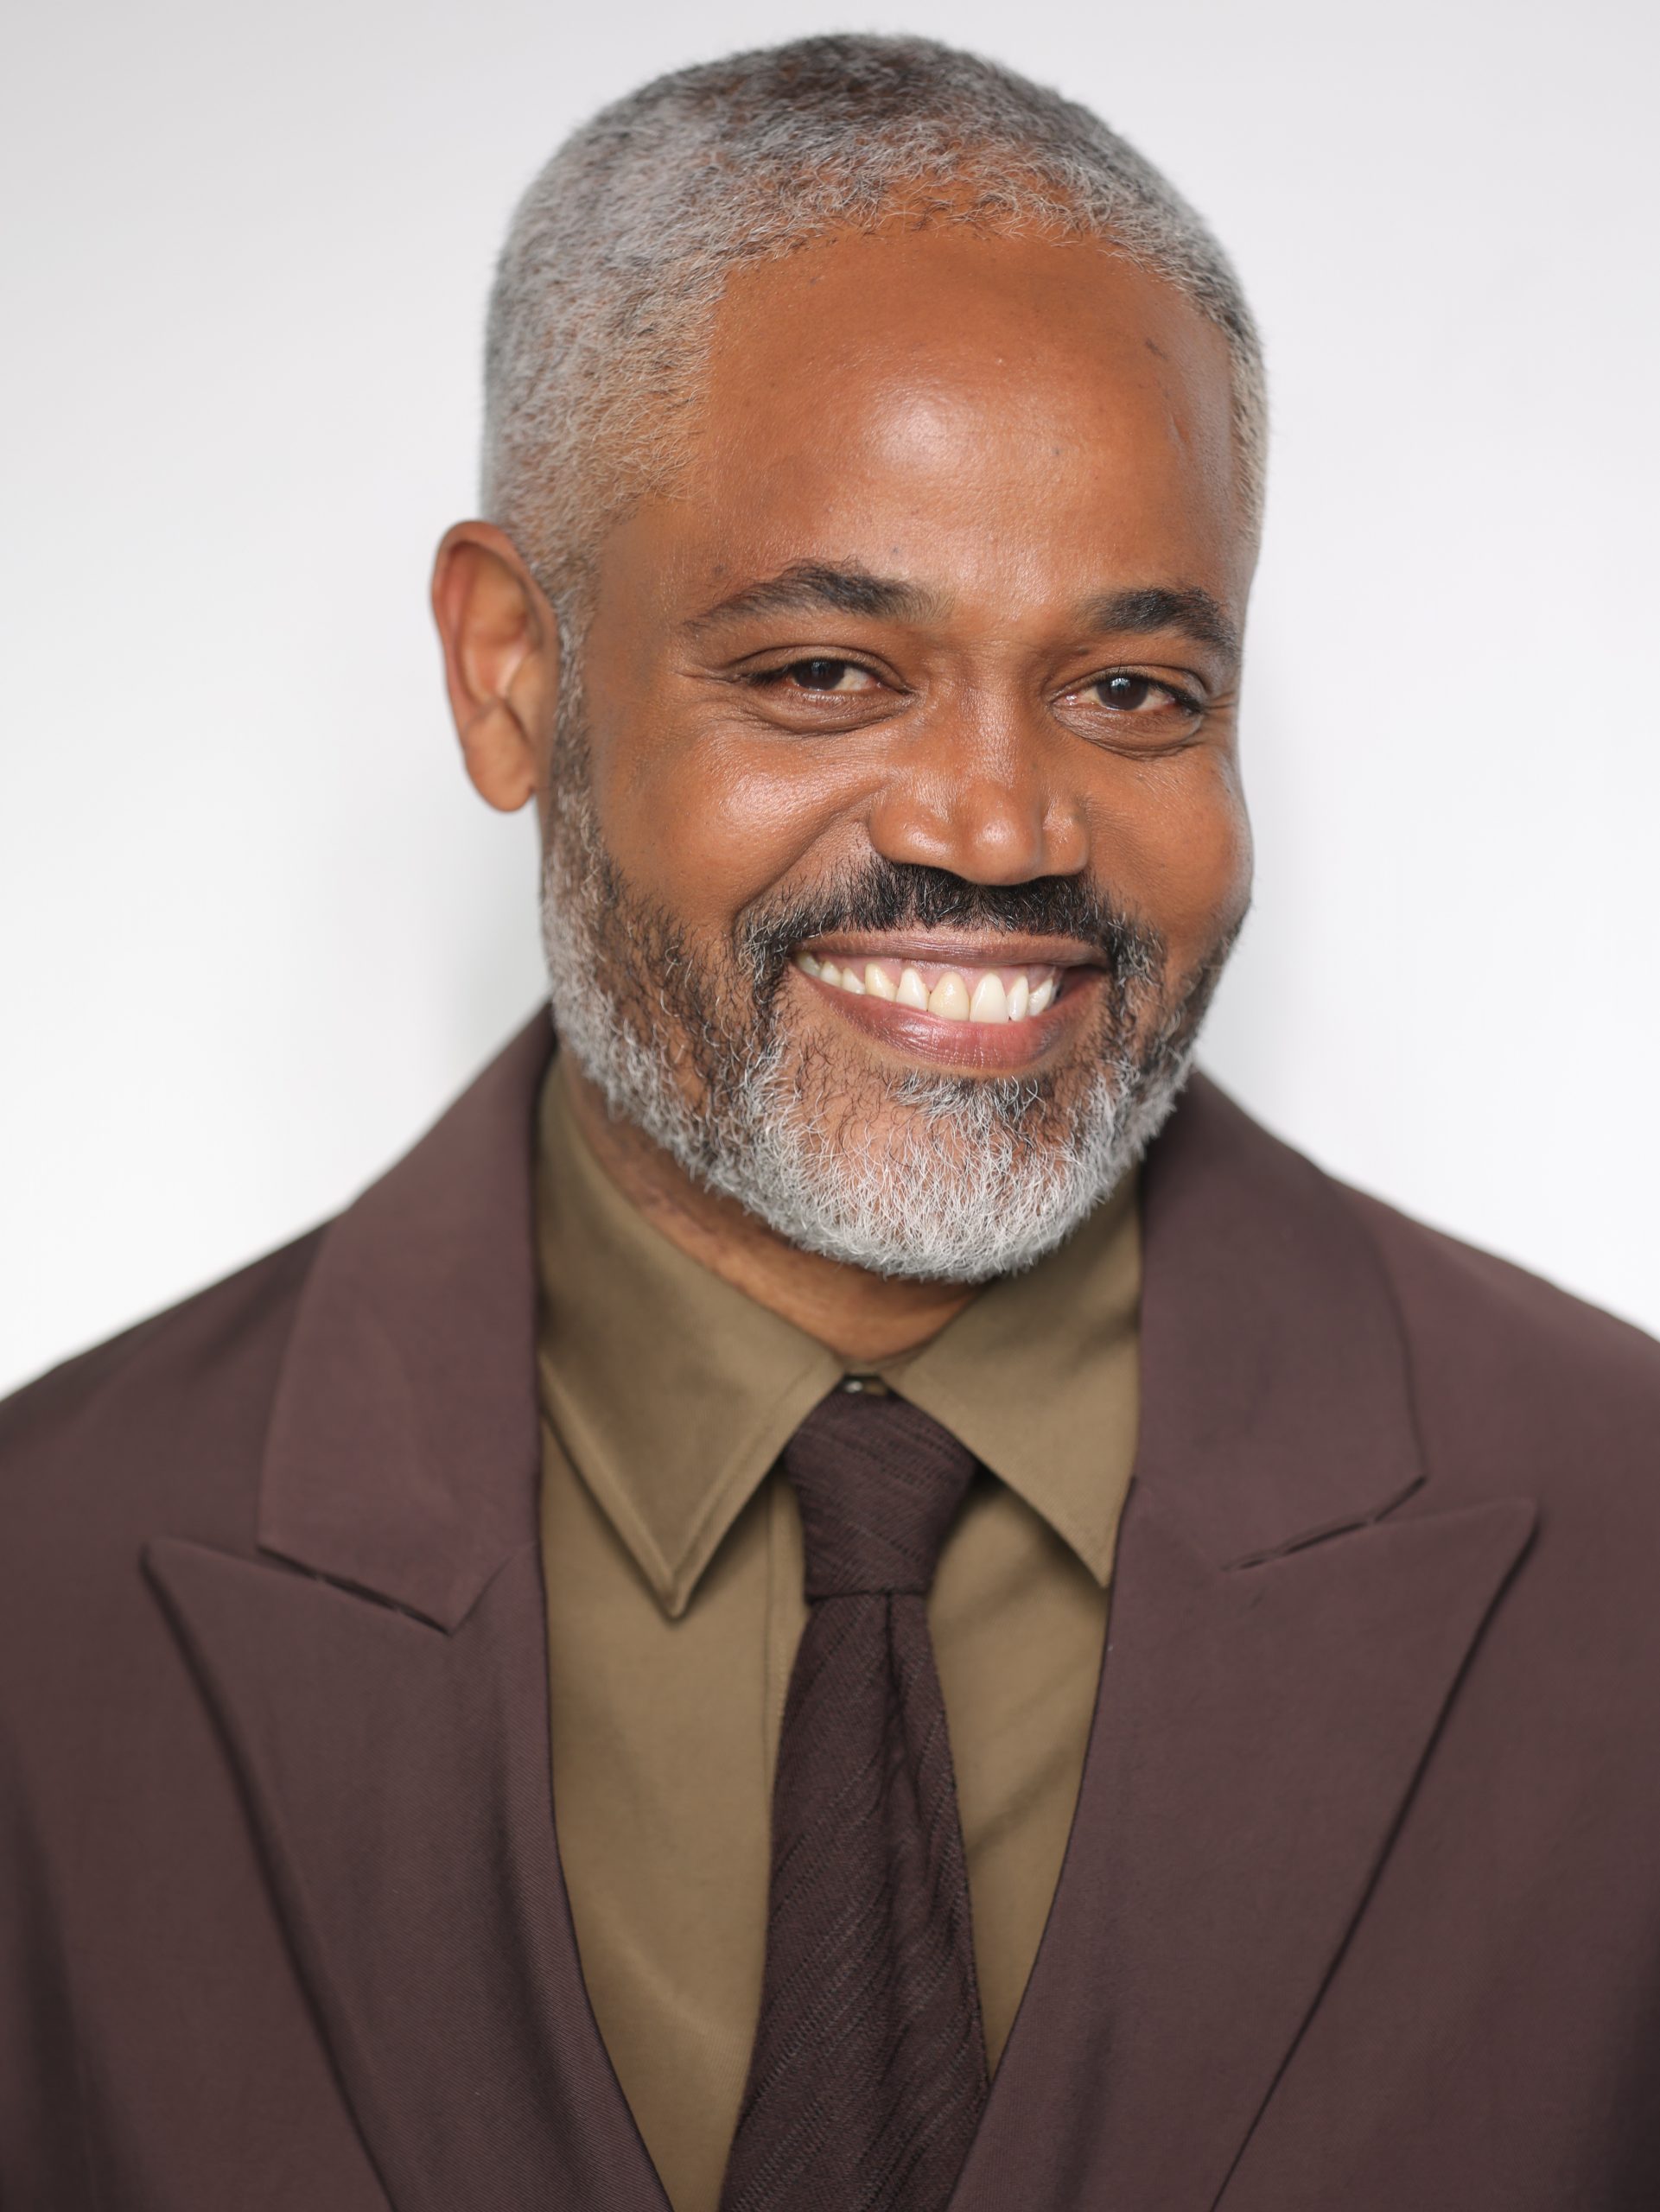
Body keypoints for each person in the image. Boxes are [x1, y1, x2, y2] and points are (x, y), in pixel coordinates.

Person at [3, 31, 1657, 2212]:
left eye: (1131, 689)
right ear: (509, 672)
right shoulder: (40, 1589)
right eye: (823, 673)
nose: (999, 821)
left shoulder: (1628, 1541)